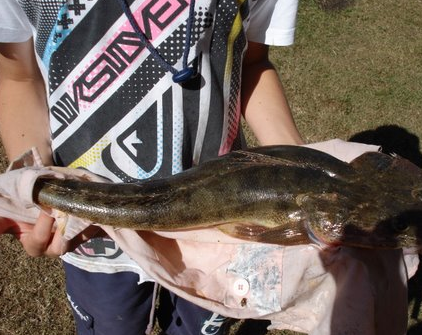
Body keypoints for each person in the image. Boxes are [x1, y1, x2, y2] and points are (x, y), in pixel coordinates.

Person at [0, 1, 304, 334]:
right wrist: (35, 190)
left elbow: (253, 61)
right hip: (95, 234)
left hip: (219, 227)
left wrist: (303, 178)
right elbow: (17, 76)